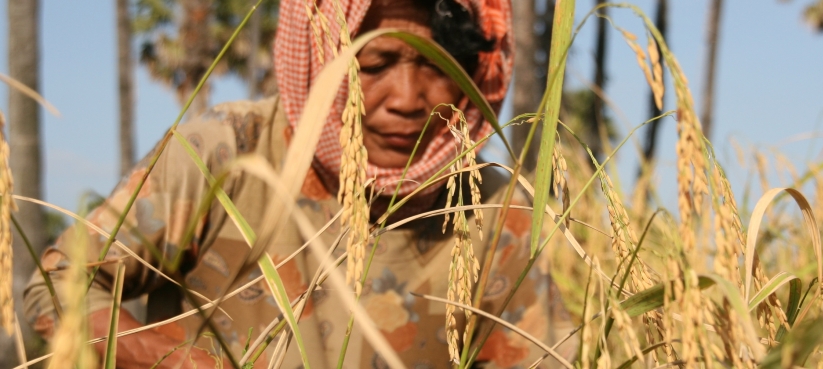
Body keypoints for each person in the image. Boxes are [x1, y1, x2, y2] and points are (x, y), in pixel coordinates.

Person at [24, 0, 573, 367]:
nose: (408, 99)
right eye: (374, 63)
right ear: (322, 59)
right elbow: (61, 284)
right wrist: (173, 359)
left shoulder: (494, 211)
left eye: (434, 66)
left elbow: (549, 353)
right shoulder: (228, 152)